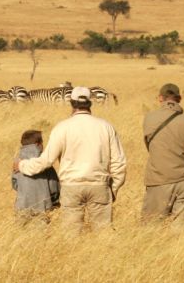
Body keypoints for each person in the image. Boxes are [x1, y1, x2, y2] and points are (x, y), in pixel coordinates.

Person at [14, 87, 127, 236]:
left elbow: (45, 161)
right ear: (90, 103)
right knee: (103, 235)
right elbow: (119, 163)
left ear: (72, 103)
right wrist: (113, 188)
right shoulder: (106, 127)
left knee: (71, 236)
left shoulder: (62, 128)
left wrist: (22, 165)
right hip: (100, 185)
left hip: (71, 187)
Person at [141, 83, 184, 227]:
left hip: (158, 180)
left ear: (160, 98)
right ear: (179, 98)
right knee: (180, 230)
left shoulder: (149, 119)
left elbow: (150, 147)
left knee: (151, 228)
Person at [11, 130, 60, 223]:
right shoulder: (43, 163)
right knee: (41, 235)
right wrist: (55, 201)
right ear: (38, 144)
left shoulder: (17, 162)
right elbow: (54, 186)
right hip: (42, 207)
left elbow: (15, 183)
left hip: (22, 206)